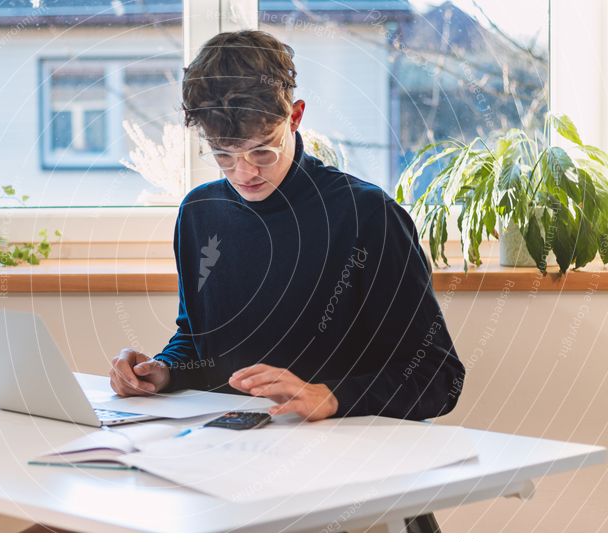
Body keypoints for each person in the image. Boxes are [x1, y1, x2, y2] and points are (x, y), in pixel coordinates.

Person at [109, 30, 465, 422]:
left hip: (342, 452)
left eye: (262, 150)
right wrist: (163, 371)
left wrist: (333, 397)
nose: (244, 173)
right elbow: (197, 343)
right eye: (222, 155)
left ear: (294, 117)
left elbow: (440, 376)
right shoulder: (199, 212)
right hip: (225, 446)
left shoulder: (367, 215)